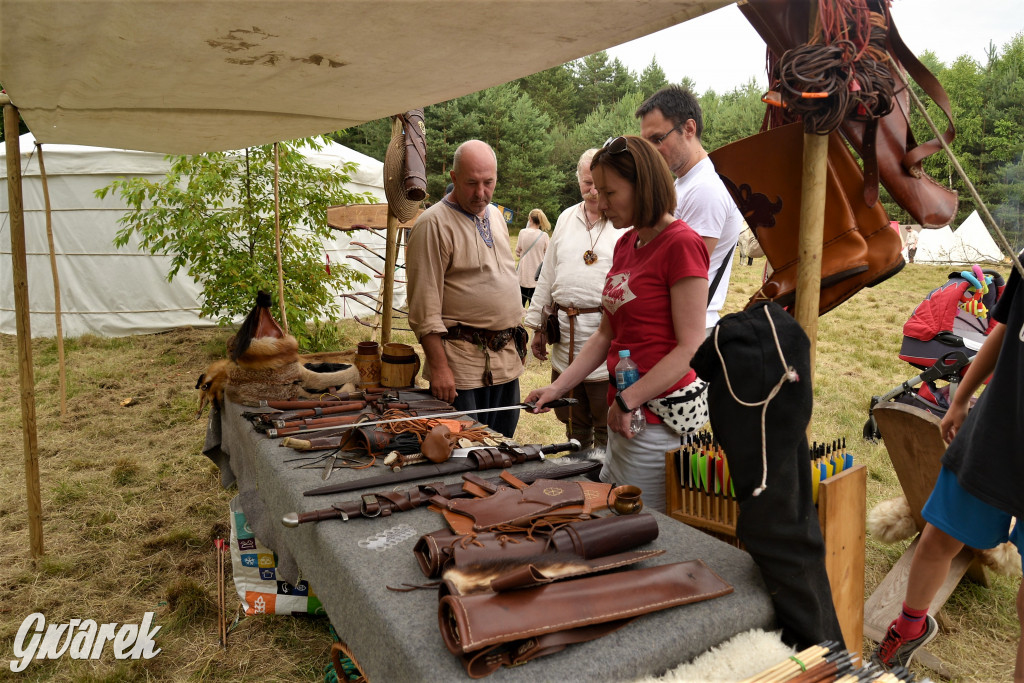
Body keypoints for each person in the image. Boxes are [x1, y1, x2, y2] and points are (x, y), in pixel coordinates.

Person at [526, 135, 709, 512]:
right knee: (614, 517)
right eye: (597, 191)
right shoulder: (628, 243)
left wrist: (628, 400)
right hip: (626, 416)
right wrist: (557, 387)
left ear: (643, 184)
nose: (602, 203)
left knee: (645, 528)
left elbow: (690, 348)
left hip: (659, 425)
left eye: (610, 192)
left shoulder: (682, 244)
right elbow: (606, 334)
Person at [871, 256, 1024, 679]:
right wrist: (960, 399)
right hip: (998, 427)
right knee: (938, 536)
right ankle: (908, 628)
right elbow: (1005, 330)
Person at [406, 140, 525, 438]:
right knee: (466, 449)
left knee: (502, 445)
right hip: (461, 366)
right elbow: (424, 310)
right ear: (453, 177)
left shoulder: (495, 215)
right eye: (472, 183)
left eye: (489, 183)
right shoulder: (433, 225)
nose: (481, 193)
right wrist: (441, 369)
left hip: (504, 361)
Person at [524, 149, 620, 450]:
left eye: (598, 185)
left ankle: (605, 471)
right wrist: (540, 327)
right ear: (578, 180)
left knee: (604, 413)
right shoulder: (566, 218)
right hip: (565, 330)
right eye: (586, 183)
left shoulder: (621, 222)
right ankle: (576, 462)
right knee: (572, 413)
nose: (592, 191)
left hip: (603, 331)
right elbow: (548, 276)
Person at [636, 85, 744, 336]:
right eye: (645, 142)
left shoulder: (706, 187)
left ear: (689, 128)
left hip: (688, 328)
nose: (650, 151)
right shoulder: (684, 182)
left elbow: (685, 268)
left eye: (657, 139)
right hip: (676, 322)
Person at [515, 208, 550, 306]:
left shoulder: (522, 232)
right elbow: (548, 256)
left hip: (523, 276)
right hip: (537, 278)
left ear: (530, 219)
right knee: (534, 307)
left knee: (519, 306)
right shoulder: (544, 236)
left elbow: (518, 252)